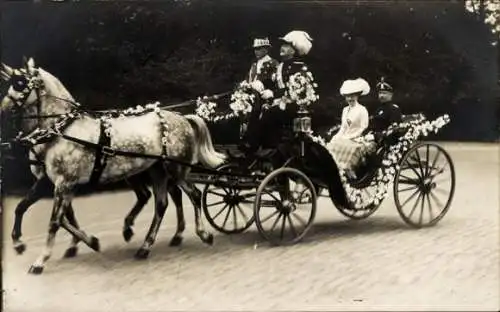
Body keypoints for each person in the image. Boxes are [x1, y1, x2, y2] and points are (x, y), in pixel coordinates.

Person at [241, 30, 314, 154]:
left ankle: (261, 146)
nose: (282, 48)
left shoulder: (299, 67)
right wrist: (262, 85)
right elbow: (273, 83)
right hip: (280, 102)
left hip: (294, 106)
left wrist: (274, 94)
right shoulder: (281, 66)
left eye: (286, 45)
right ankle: (252, 145)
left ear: (294, 49)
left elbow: (295, 91)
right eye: (282, 45)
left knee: (269, 113)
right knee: (257, 107)